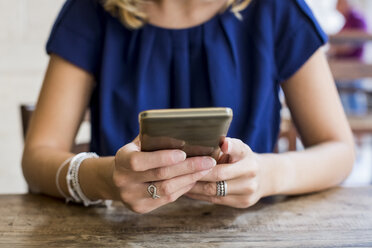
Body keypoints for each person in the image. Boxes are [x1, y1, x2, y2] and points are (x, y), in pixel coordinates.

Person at [22, 0, 355, 213]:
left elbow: (340, 151)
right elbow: (37, 157)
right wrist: (105, 180)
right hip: (116, 235)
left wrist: (268, 175)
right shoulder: (92, 10)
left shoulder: (277, 9)